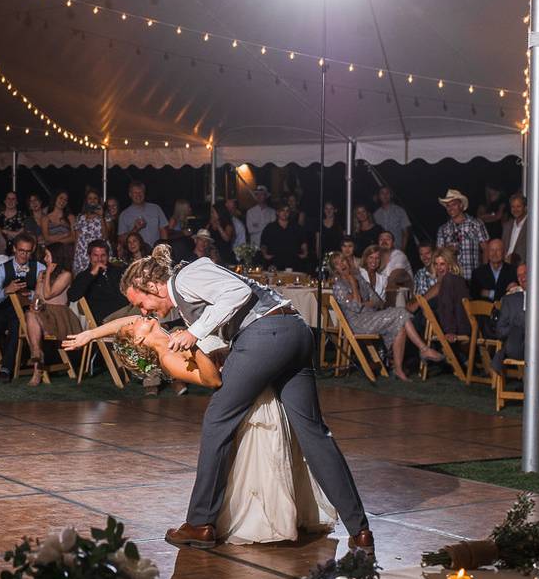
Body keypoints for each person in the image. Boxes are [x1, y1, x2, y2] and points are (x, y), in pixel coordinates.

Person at [95, 244, 374, 553]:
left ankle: (201, 523)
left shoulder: (186, 277)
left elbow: (237, 292)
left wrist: (195, 332)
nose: (144, 312)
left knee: (217, 421)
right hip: (294, 332)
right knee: (314, 434)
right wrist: (89, 336)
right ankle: (360, 528)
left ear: (150, 285)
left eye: (142, 303)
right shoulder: (186, 300)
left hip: (266, 335)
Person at [63, 313, 336, 544]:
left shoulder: (167, 334)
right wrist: (193, 347)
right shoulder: (169, 357)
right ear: (138, 340)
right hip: (245, 394)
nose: (140, 317)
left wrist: (91, 334)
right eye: (136, 326)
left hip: (255, 375)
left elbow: (128, 320)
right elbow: (212, 379)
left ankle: (291, 513)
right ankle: (268, 520)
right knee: (262, 457)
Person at [331, 251, 442, 382]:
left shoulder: (359, 279)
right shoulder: (339, 286)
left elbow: (377, 301)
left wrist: (362, 300)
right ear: (335, 270)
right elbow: (356, 307)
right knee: (401, 312)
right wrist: (354, 286)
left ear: (348, 261)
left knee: (400, 325)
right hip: (357, 323)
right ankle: (423, 349)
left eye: (343, 260)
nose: (342, 264)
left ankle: (399, 370)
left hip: (371, 317)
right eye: (337, 264)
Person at [491, 263, 539, 420]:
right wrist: (518, 324)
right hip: (517, 346)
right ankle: (532, 328)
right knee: (529, 324)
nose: (522, 277)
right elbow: (500, 331)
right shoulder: (510, 300)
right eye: (519, 275)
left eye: (526, 273)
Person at [0, 233, 44, 382]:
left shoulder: (39, 267)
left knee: (15, 324)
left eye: (27, 251)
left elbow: (45, 294)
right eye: (21, 251)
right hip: (4, 308)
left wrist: (30, 294)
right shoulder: (2, 269)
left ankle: (6, 369)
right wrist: (7, 290)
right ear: (14, 249)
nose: (24, 255)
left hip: (28, 310)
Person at [24, 243, 82, 385]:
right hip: (41, 313)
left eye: (48, 256)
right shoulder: (42, 273)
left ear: (56, 257)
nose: (45, 259)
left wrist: (49, 272)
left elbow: (48, 295)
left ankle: (37, 362)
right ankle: (37, 355)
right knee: (31, 314)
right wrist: (39, 284)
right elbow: (38, 297)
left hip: (58, 315)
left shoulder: (66, 274)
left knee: (32, 317)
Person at [67, 239, 128, 324]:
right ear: (89, 256)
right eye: (95, 255)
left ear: (108, 256)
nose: (99, 259)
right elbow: (72, 296)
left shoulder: (119, 271)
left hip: (124, 316)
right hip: (103, 320)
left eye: (103, 255)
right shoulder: (84, 276)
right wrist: (92, 274)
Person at [436, 188, 489, 281]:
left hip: (473, 278)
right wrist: (448, 250)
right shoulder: (443, 229)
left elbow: (486, 249)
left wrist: (485, 272)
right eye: (448, 206)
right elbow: (439, 254)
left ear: (461, 205)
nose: (450, 208)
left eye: (454, 204)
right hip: (452, 279)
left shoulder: (476, 224)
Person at [117, 181, 169, 249]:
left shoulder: (156, 208)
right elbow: (121, 240)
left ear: (144, 193)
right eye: (135, 193)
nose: (138, 195)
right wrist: (136, 229)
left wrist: (165, 249)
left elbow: (163, 231)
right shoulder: (124, 215)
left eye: (140, 192)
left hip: (156, 252)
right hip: (137, 255)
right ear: (130, 194)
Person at [260, 203, 307, 271]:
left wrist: (305, 253)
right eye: (282, 210)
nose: (285, 213)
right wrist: (265, 255)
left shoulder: (296, 227)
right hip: (275, 261)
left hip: (293, 261)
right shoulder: (270, 227)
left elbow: (303, 242)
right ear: (277, 212)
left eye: (287, 211)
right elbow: (263, 244)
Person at [73, 189, 107, 274]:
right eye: (90, 198)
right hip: (82, 254)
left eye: (95, 198)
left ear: (98, 200)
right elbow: (77, 239)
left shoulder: (105, 216)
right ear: (86, 201)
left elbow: (105, 236)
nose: (92, 200)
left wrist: (101, 217)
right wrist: (75, 257)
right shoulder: (80, 217)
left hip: (98, 253)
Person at [41, 190, 76, 267]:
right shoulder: (45, 218)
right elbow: (46, 238)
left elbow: (74, 237)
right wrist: (66, 234)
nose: (62, 201)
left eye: (65, 200)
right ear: (55, 198)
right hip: (52, 252)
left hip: (67, 252)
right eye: (61, 198)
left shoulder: (70, 217)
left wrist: (58, 243)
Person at [373, 187, 411, 251]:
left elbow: (405, 233)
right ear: (379, 196)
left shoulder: (400, 211)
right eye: (382, 193)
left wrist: (403, 250)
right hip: (381, 251)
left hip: (396, 249)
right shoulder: (375, 214)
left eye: (387, 193)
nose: (385, 195)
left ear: (391, 195)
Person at [501, 193, 528, 264]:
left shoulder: (531, 225)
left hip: (523, 267)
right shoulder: (507, 225)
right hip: (506, 265)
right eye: (513, 207)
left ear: (525, 207)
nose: (515, 209)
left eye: (518, 206)